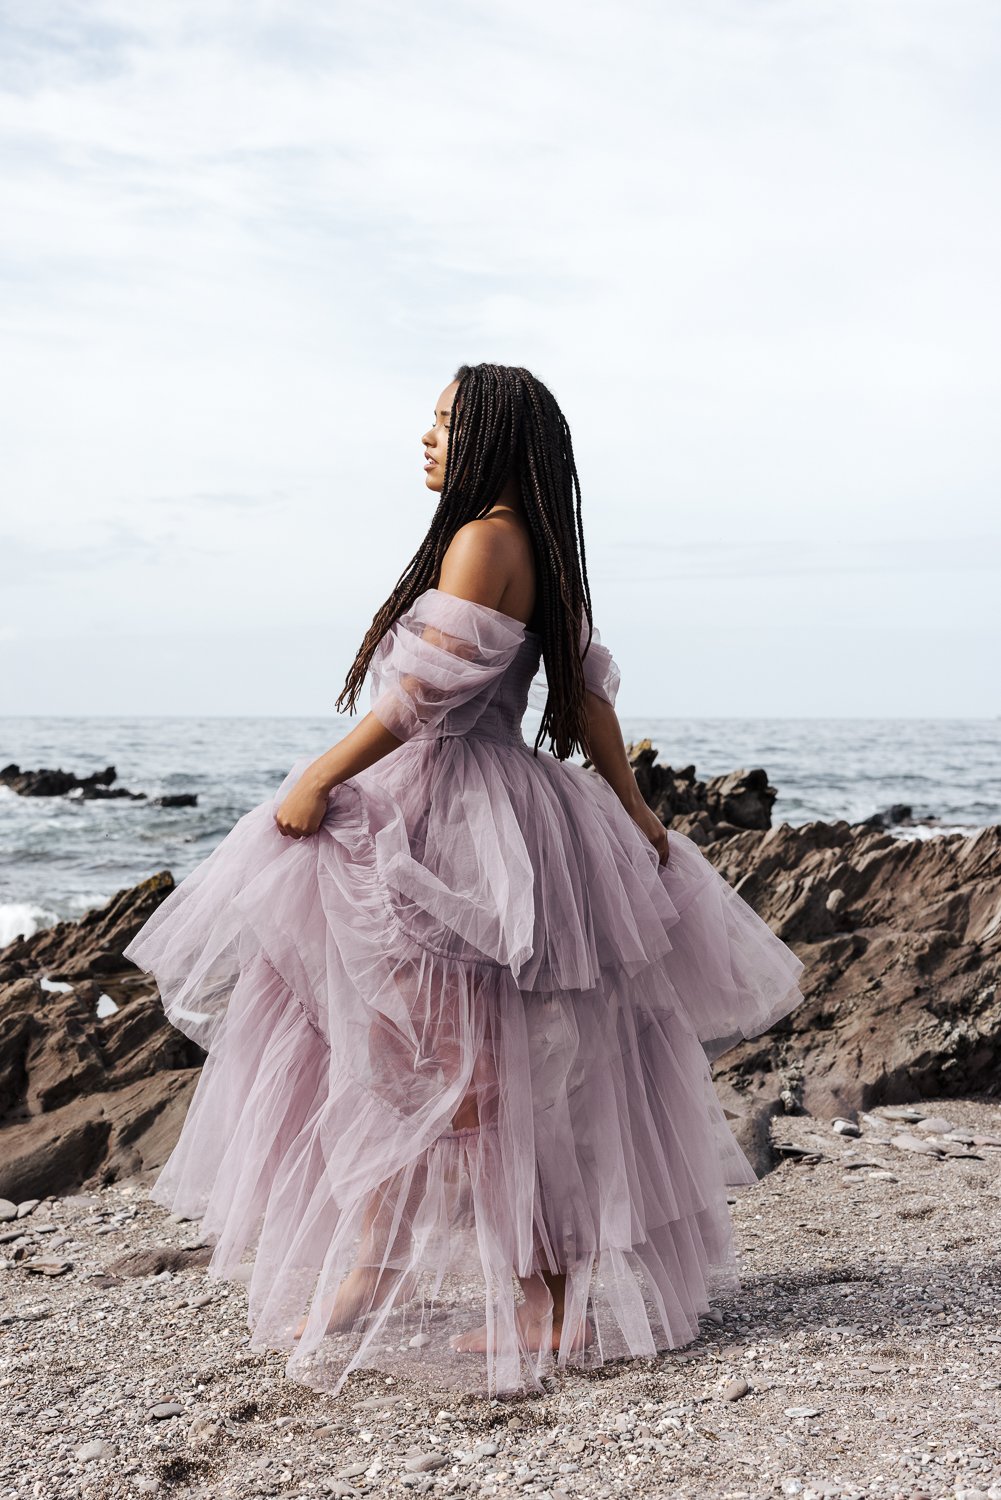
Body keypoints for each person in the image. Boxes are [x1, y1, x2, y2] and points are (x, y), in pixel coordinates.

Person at [123, 362, 806, 1401]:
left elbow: (414, 702)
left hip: (453, 808)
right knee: (471, 1066)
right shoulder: (528, 543)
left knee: (447, 1068)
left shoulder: (483, 539)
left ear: (489, 432)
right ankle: (487, 1285)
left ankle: (460, 1287)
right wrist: (627, 809)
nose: (426, 437)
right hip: (500, 809)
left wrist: (314, 777)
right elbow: (588, 700)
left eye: (445, 422)